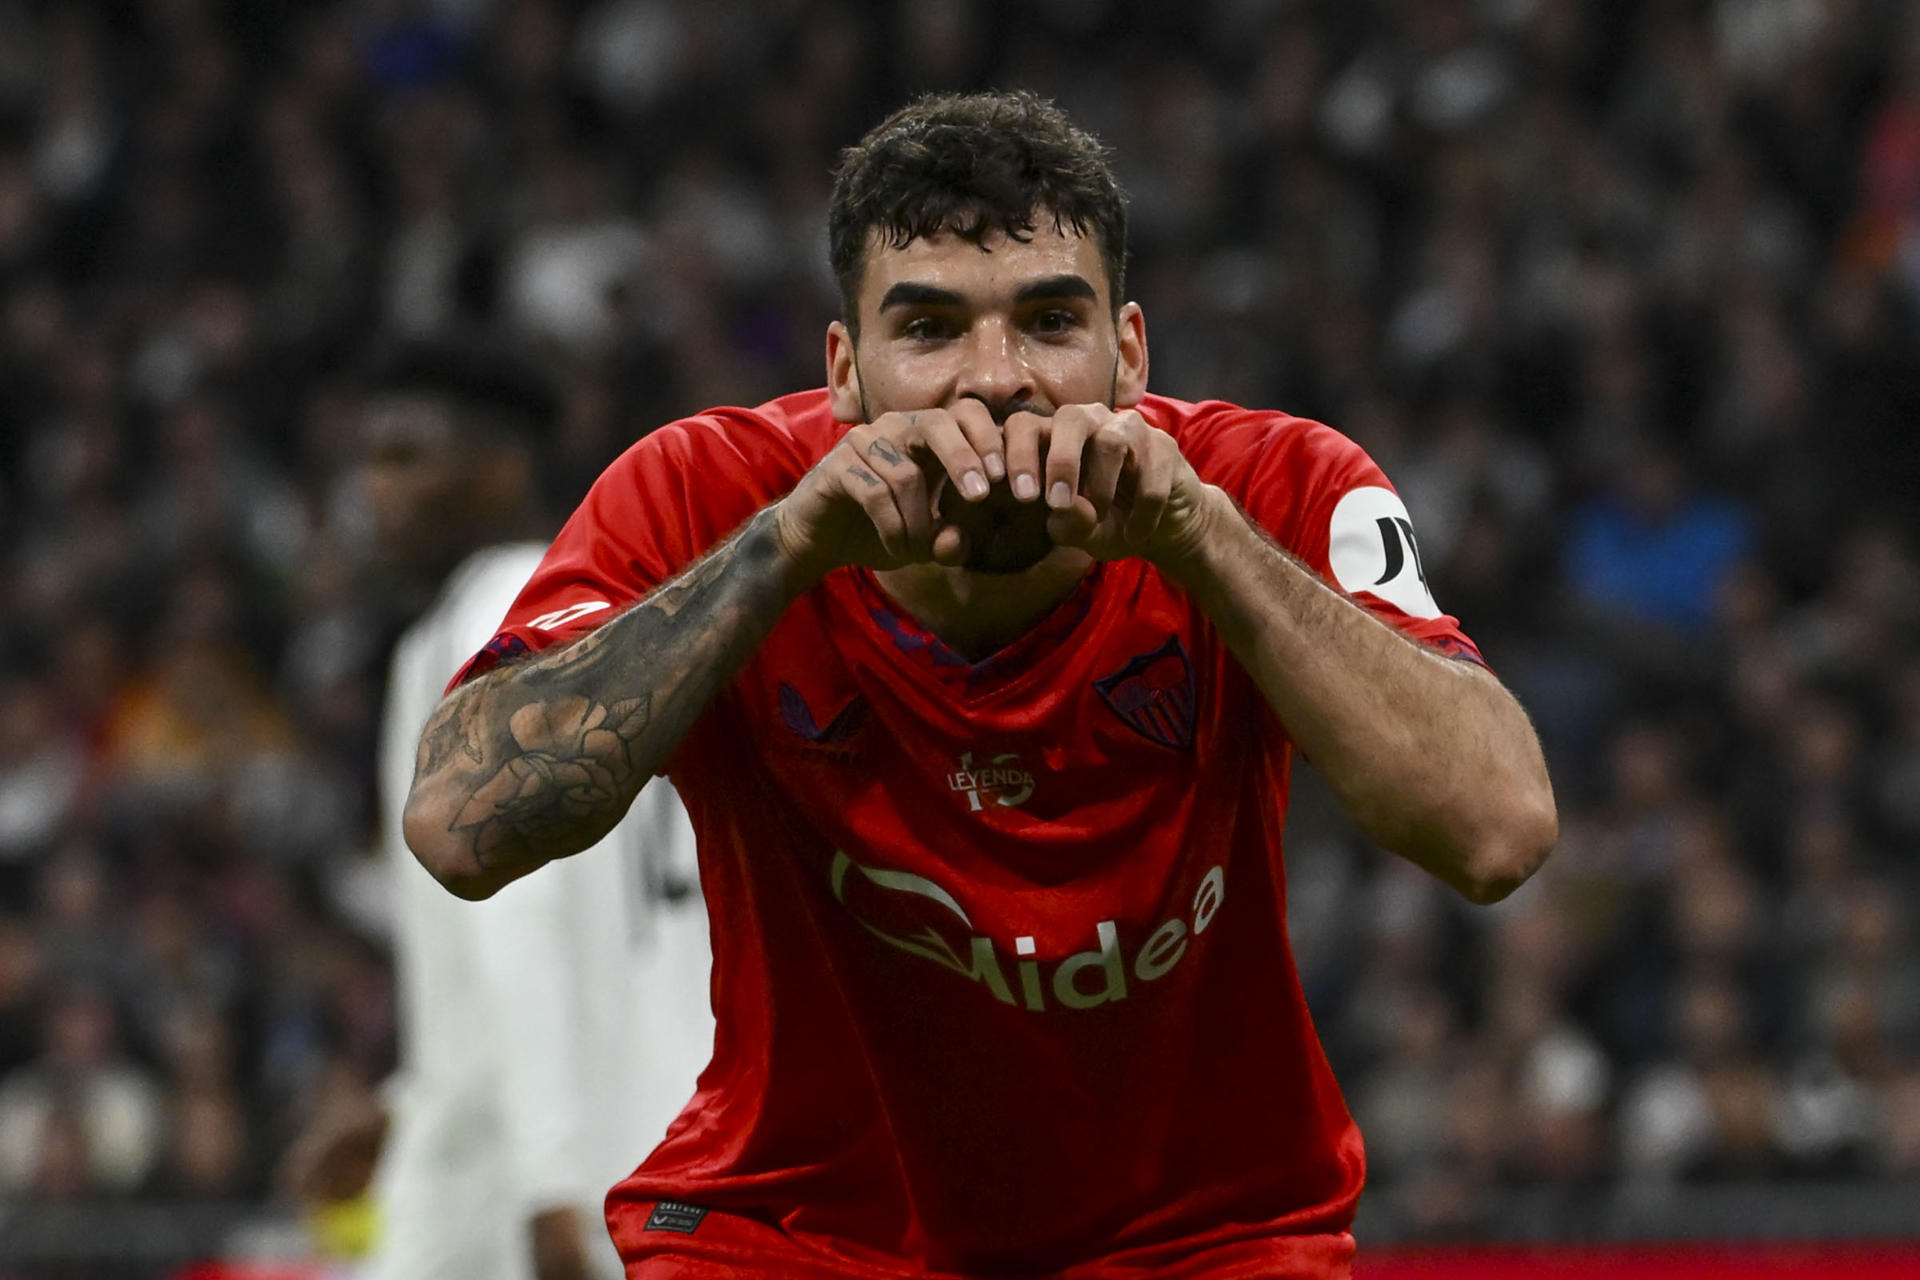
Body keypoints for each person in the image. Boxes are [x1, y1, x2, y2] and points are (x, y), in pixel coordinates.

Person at [401, 92, 1558, 1279]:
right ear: (845, 372)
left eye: (1050, 321)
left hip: (1201, 1242)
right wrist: (784, 548)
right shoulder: (707, 494)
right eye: (931, 328)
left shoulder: (1272, 486)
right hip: (795, 1236)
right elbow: (457, 827)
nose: (996, 381)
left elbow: (1499, 829)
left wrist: (1201, 539)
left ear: (1130, 355)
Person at [285, 340, 713, 1280]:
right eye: (369, 460)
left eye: (407, 457)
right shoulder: (614, 605)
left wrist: (550, 1183)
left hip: (539, 1172)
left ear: (502, 468)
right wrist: (409, 1101)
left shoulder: (484, 623)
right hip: (658, 1130)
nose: (375, 490)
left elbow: (527, 913)